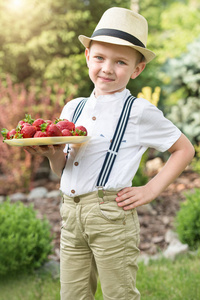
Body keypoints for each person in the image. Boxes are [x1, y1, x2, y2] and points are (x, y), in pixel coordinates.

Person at [26, 7, 195, 300]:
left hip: (110, 216)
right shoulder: (72, 108)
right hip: (71, 213)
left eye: (120, 62)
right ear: (88, 55)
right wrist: (53, 154)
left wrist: (152, 189)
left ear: (136, 69)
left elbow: (185, 149)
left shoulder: (139, 112)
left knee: (119, 295)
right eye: (100, 58)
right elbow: (64, 168)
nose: (107, 68)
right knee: (72, 295)